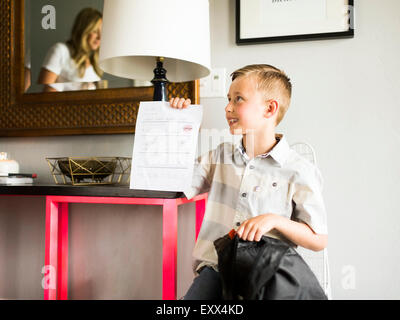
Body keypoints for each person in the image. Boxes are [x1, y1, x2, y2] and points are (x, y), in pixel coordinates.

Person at [169, 64, 328, 300]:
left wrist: (274, 221)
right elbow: (173, 184)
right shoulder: (219, 158)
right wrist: (177, 126)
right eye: (228, 99)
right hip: (215, 271)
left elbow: (318, 239)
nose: (228, 107)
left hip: (265, 277)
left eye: (238, 99)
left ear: (269, 109)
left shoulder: (299, 170)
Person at [38, 8, 103, 92]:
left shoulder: (94, 63)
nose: (99, 37)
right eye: (95, 31)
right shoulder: (61, 50)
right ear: (83, 30)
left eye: (102, 32)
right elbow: (43, 95)